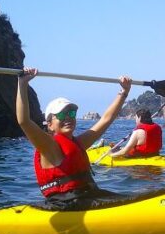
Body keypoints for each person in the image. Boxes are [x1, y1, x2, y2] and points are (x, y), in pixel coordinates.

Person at [15, 67, 132, 210]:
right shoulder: (48, 146)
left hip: (88, 196)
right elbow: (24, 121)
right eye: (62, 115)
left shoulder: (78, 143)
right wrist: (22, 83)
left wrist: (124, 92)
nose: (69, 118)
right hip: (65, 204)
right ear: (50, 124)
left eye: (71, 113)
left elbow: (106, 119)